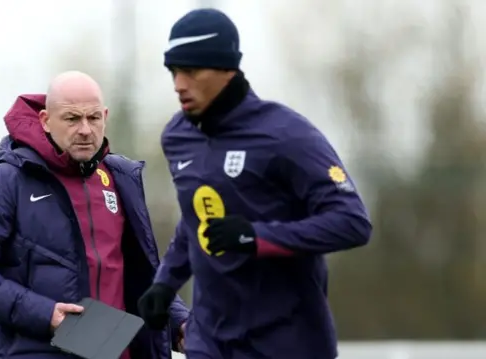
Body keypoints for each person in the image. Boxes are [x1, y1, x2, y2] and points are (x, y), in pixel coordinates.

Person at [137, 8, 373, 359]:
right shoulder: (177, 135)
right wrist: (165, 282)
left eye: (190, 71)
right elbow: (195, 219)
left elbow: (352, 222)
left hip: (286, 342)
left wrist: (256, 236)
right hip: (209, 341)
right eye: (173, 71)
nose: (178, 84)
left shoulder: (287, 135)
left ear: (227, 70)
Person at [0, 71, 189, 359]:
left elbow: (139, 275)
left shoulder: (122, 178)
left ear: (105, 116)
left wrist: (179, 323)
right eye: (72, 118)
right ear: (46, 120)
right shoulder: (6, 182)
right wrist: (46, 315)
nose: (85, 129)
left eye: (94, 118)